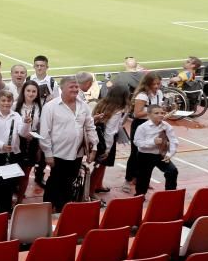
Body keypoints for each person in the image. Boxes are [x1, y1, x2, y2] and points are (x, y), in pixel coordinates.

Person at [40, 77, 97, 211]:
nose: (75, 89)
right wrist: (48, 154)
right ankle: (47, 209)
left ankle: (62, 210)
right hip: (58, 153)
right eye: (71, 87)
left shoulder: (83, 105)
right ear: (62, 88)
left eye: (76, 87)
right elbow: (44, 133)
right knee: (54, 182)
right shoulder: (50, 107)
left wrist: (94, 148)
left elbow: (90, 127)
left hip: (77, 153)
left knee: (69, 182)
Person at [123, 72, 163, 194]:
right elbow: (137, 114)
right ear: (147, 84)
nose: (156, 86)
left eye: (158, 83)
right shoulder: (142, 95)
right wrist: (153, 111)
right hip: (140, 126)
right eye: (154, 84)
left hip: (153, 126)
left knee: (148, 154)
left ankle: (141, 179)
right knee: (136, 152)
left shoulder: (159, 94)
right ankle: (128, 179)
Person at [90, 85, 128, 198]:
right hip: (106, 140)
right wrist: (107, 149)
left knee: (102, 165)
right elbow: (111, 131)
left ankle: (98, 185)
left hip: (99, 136)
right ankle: (90, 191)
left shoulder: (103, 104)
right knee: (99, 165)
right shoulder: (117, 110)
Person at [133, 105, 178, 197]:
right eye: (156, 113)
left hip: (160, 155)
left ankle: (170, 194)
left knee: (172, 171)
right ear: (149, 115)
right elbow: (137, 142)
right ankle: (140, 196)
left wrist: (169, 154)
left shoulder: (166, 126)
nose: (160, 115)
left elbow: (174, 141)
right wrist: (152, 142)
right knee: (143, 177)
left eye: (162, 113)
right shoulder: (142, 127)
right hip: (145, 155)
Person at [14, 80, 43, 204]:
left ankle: (19, 201)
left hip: (32, 142)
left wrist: (39, 145)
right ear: (23, 91)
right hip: (17, 141)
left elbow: (41, 126)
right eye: (28, 91)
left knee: (26, 173)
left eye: (34, 91)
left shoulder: (40, 107)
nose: (31, 94)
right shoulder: (15, 105)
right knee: (14, 173)